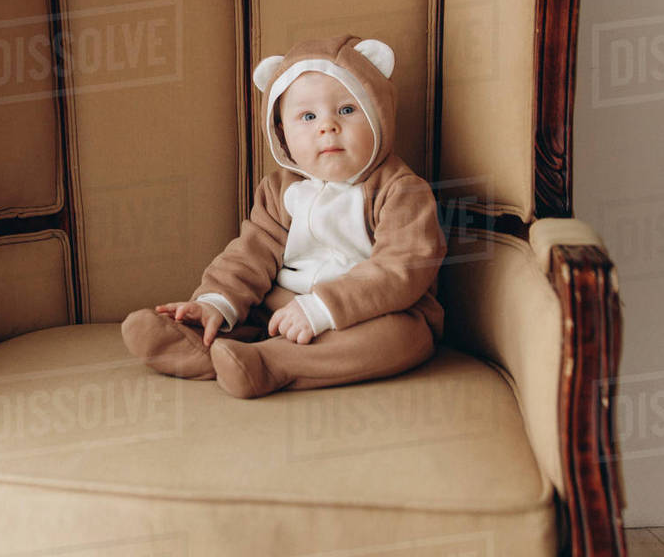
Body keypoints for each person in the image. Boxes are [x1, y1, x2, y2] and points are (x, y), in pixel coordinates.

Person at [121, 34, 447, 399]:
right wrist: (214, 300)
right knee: (250, 313)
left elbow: (400, 270)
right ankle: (203, 343)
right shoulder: (279, 190)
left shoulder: (402, 191)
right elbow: (250, 254)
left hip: (369, 315)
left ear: (380, 115)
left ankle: (273, 364)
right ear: (282, 133)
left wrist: (323, 308)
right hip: (282, 308)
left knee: (400, 339)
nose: (328, 127)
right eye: (308, 116)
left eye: (346, 110)